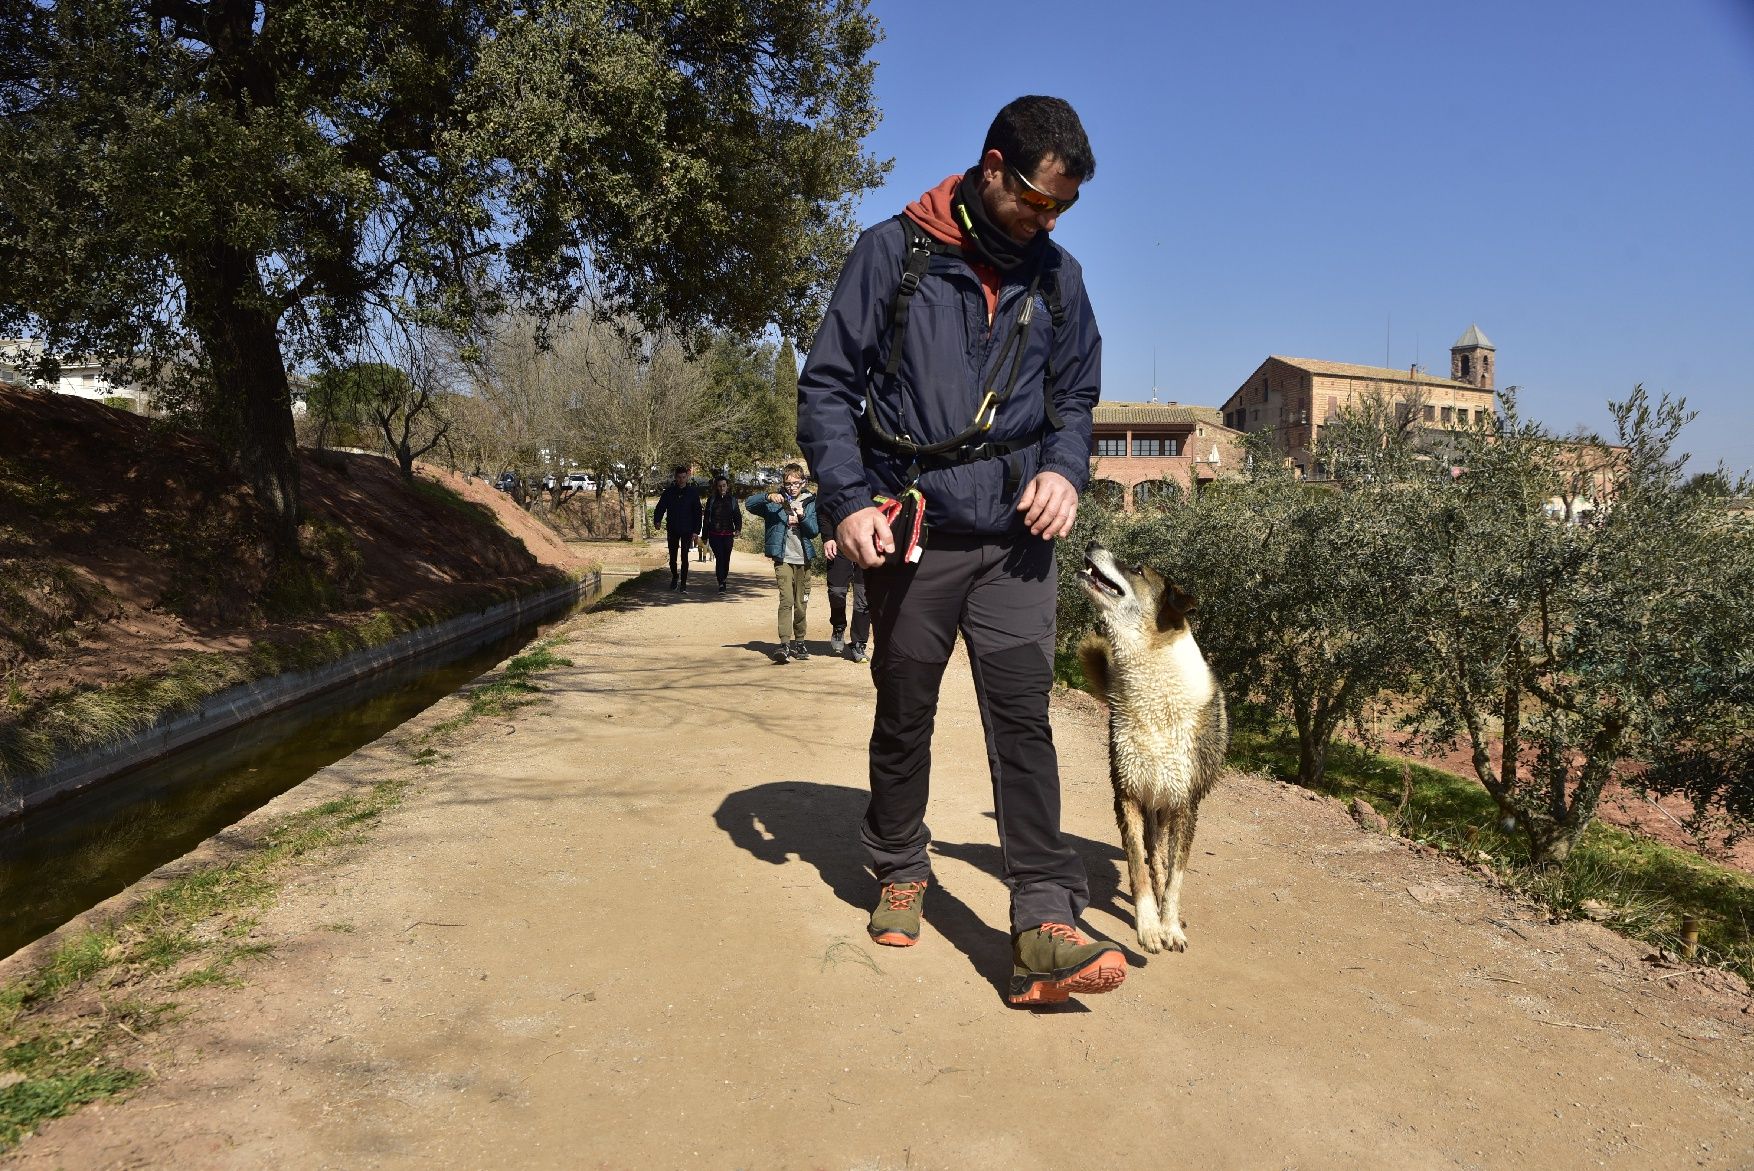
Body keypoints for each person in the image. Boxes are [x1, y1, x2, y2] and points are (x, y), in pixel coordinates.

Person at [796, 96, 1120, 1005]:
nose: (1045, 221)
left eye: (1062, 209)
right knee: (905, 707)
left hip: (1017, 542)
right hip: (914, 534)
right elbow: (826, 386)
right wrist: (849, 500)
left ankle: (1043, 919)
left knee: (1023, 719)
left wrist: (1065, 470)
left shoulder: (1061, 279)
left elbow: (1076, 400)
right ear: (991, 169)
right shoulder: (891, 254)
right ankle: (900, 863)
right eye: (1035, 201)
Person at [745, 464, 819, 663]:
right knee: (786, 600)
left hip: (803, 559)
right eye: (788, 483)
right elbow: (749, 504)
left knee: (800, 603)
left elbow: (813, 531)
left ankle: (800, 641)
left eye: (796, 483)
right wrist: (768, 496)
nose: (792, 487)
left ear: (803, 482)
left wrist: (802, 516)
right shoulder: (775, 501)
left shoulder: (810, 501)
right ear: (783, 484)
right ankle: (784, 643)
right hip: (783, 558)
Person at [652, 465, 703, 591]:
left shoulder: (693, 493)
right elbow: (660, 507)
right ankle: (675, 577)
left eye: (683, 477)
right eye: (679, 477)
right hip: (673, 528)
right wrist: (657, 520)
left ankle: (683, 583)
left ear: (687, 477)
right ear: (676, 478)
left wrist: (696, 531)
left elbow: (698, 512)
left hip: (687, 530)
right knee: (672, 556)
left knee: (684, 557)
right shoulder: (668, 492)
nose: (681, 480)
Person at [821, 535, 869, 663]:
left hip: (868, 545)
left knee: (863, 596)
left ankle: (859, 643)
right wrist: (828, 537)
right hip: (840, 543)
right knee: (836, 592)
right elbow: (824, 515)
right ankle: (838, 626)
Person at [701, 473, 743, 592]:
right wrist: (704, 536)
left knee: (726, 558)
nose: (722, 488)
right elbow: (707, 519)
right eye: (719, 486)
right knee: (719, 557)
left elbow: (737, 516)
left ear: (727, 486)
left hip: (728, 534)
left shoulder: (733, 500)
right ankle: (721, 583)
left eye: (724, 486)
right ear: (716, 487)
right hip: (715, 534)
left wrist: (738, 529)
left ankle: (724, 578)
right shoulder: (712, 500)